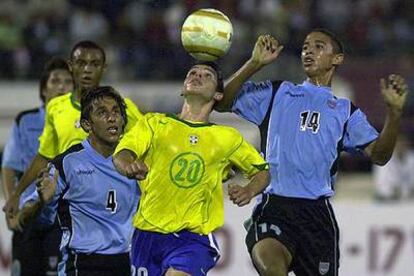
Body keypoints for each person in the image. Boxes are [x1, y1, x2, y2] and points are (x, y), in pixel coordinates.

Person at [215, 29, 409, 276]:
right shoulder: (277, 93)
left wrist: (394, 114)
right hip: (275, 206)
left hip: (316, 218)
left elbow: (380, 156)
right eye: (306, 46)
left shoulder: (345, 111)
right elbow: (222, 102)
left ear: (337, 59)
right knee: (273, 269)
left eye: (319, 46)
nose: (308, 51)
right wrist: (254, 63)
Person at [113, 61, 270, 276]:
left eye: (207, 76)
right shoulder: (154, 123)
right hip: (146, 234)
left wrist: (249, 190)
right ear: (183, 88)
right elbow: (123, 153)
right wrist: (128, 165)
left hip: (192, 238)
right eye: (192, 73)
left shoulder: (227, 138)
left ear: (217, 95)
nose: (197, 76)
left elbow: (262, 171)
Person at [8, 87, 140, 276]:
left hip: (127, 262)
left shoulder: (134, 164)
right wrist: (41, 199)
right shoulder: (66, 164)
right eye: (102, 113)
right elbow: (26, 217)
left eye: (116, 112)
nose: (112, 118)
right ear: (87, 125)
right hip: (82, 263)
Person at [5, 40, 143, 218]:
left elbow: (146, 141)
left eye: (94, 64)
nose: (87, 69)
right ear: (71, 66)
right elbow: (45, 155)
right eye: (81, 63)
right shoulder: (56, 107)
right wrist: (17, 194)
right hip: (64, 201)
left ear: (103, 68)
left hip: (105, 205)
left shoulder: (123, 108)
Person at [2, 57, 73, 276]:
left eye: (68, 81)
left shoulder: (79, 120)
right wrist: (12, 201)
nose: (62, 86)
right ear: (43, 89)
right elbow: (9, 165)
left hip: (61, 215)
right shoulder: (26, 120)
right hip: (28, 213)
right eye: (55, 81)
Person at [373, 133, 414, 201]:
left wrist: (407, 190)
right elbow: (381, 182)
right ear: (393, 146)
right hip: (387, 197)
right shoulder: (383, 158)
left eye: (403, 145)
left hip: (409, 196)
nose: (401, 147)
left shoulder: (411, 158)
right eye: (398, 145)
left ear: (407, 145)